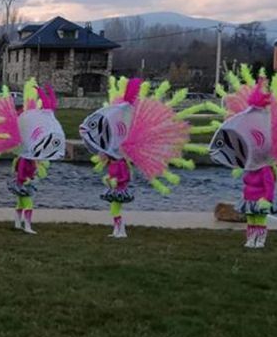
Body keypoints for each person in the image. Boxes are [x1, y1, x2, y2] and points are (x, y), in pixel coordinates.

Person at [208, 65, 277, 248]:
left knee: (259, 220)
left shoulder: (265, 169)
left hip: (260, 201)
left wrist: (267, 199)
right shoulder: (250, 166)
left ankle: (259, 240)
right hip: (250, 200)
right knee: (251, 220)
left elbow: (269, 185)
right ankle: (251, 239)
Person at [79, 77, 205, 239]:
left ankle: (120, 230)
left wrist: (115, 181)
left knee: (115, 210)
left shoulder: (120, 162)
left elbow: (124, 176)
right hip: (115, 189)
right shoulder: (114, 159)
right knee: (114, 210)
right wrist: (110, 180)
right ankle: (118, 230)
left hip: (118, 191)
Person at [0, 80, 66, 235]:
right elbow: (22, 174)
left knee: (20, 203)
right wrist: (29, 179)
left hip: (22, 184)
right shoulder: (25, 159)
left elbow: (50, 107)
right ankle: (27, 226)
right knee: (28, 204)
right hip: (24, 185)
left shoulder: (26, 157)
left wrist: (46, 92)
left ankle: (18, 223)